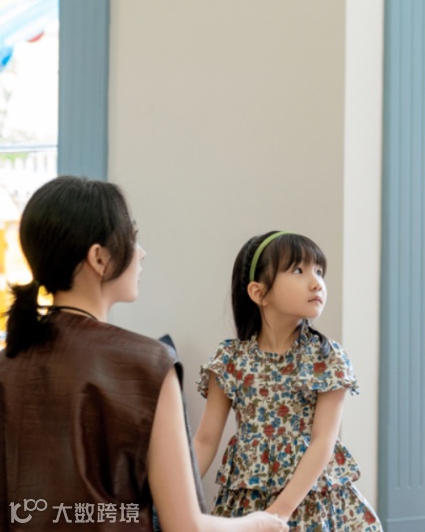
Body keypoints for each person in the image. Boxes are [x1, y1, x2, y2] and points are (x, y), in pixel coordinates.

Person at [0, 175, 286, 532]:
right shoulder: (148, 363)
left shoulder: (7, 364)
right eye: (132, 238)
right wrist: (257, 524)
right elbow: (186, 526)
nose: (142, 252)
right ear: (99, 258)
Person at [193, 231, 381, 532]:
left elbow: (323, 441)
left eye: (319, 271)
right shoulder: (230, 359)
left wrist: (278, 513)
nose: (316, 282)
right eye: (298, 270)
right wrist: (169, 501)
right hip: (248, 503)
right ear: (259, 293)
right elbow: (205, 441)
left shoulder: (326, 358)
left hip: (311, 503)